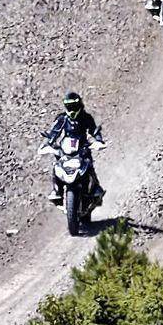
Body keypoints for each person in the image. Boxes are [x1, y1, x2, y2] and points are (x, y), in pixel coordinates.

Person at [45, 91, 103, 233]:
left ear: (79, 104)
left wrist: (99, 140)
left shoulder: (86, 118)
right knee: (56, 166)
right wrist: (48, 143)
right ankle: (57, 191)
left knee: (89, 165)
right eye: (69, 106)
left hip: (82, 150)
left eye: (74, 106)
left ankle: (95, 189)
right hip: (67, 151)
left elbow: (94, 131)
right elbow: (54, 133)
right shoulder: (62, 119)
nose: (71, 109)